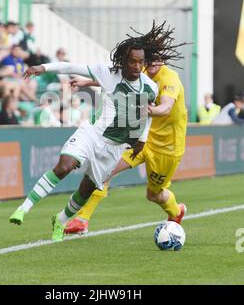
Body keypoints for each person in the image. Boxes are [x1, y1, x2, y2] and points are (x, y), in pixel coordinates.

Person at [9, 28, 159, 242]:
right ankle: (23, 209)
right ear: (124, 60)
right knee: (65, 166)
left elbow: (146, 115)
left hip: (114, 147)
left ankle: (60, 220)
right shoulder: (107, 73)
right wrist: (43, 67)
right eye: (132, 62)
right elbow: (71, 66)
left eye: (140, 62)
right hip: (91, 133)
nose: (137, 67)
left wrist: (142, 140)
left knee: (86, 190)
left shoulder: (151, 87)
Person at [65, 22, 189, 235]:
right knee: (105, 171)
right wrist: (87, 82)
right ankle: (82, 220)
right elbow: (116, 79)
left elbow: (166, 107)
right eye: (147, 61)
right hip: (139, 138)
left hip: (166, 147)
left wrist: (151, 110)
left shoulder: (170, 79)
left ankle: (176, 211)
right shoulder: (141, 73)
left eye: (154, 61)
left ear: (163, 59)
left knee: (154, 194)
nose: (149, 66)